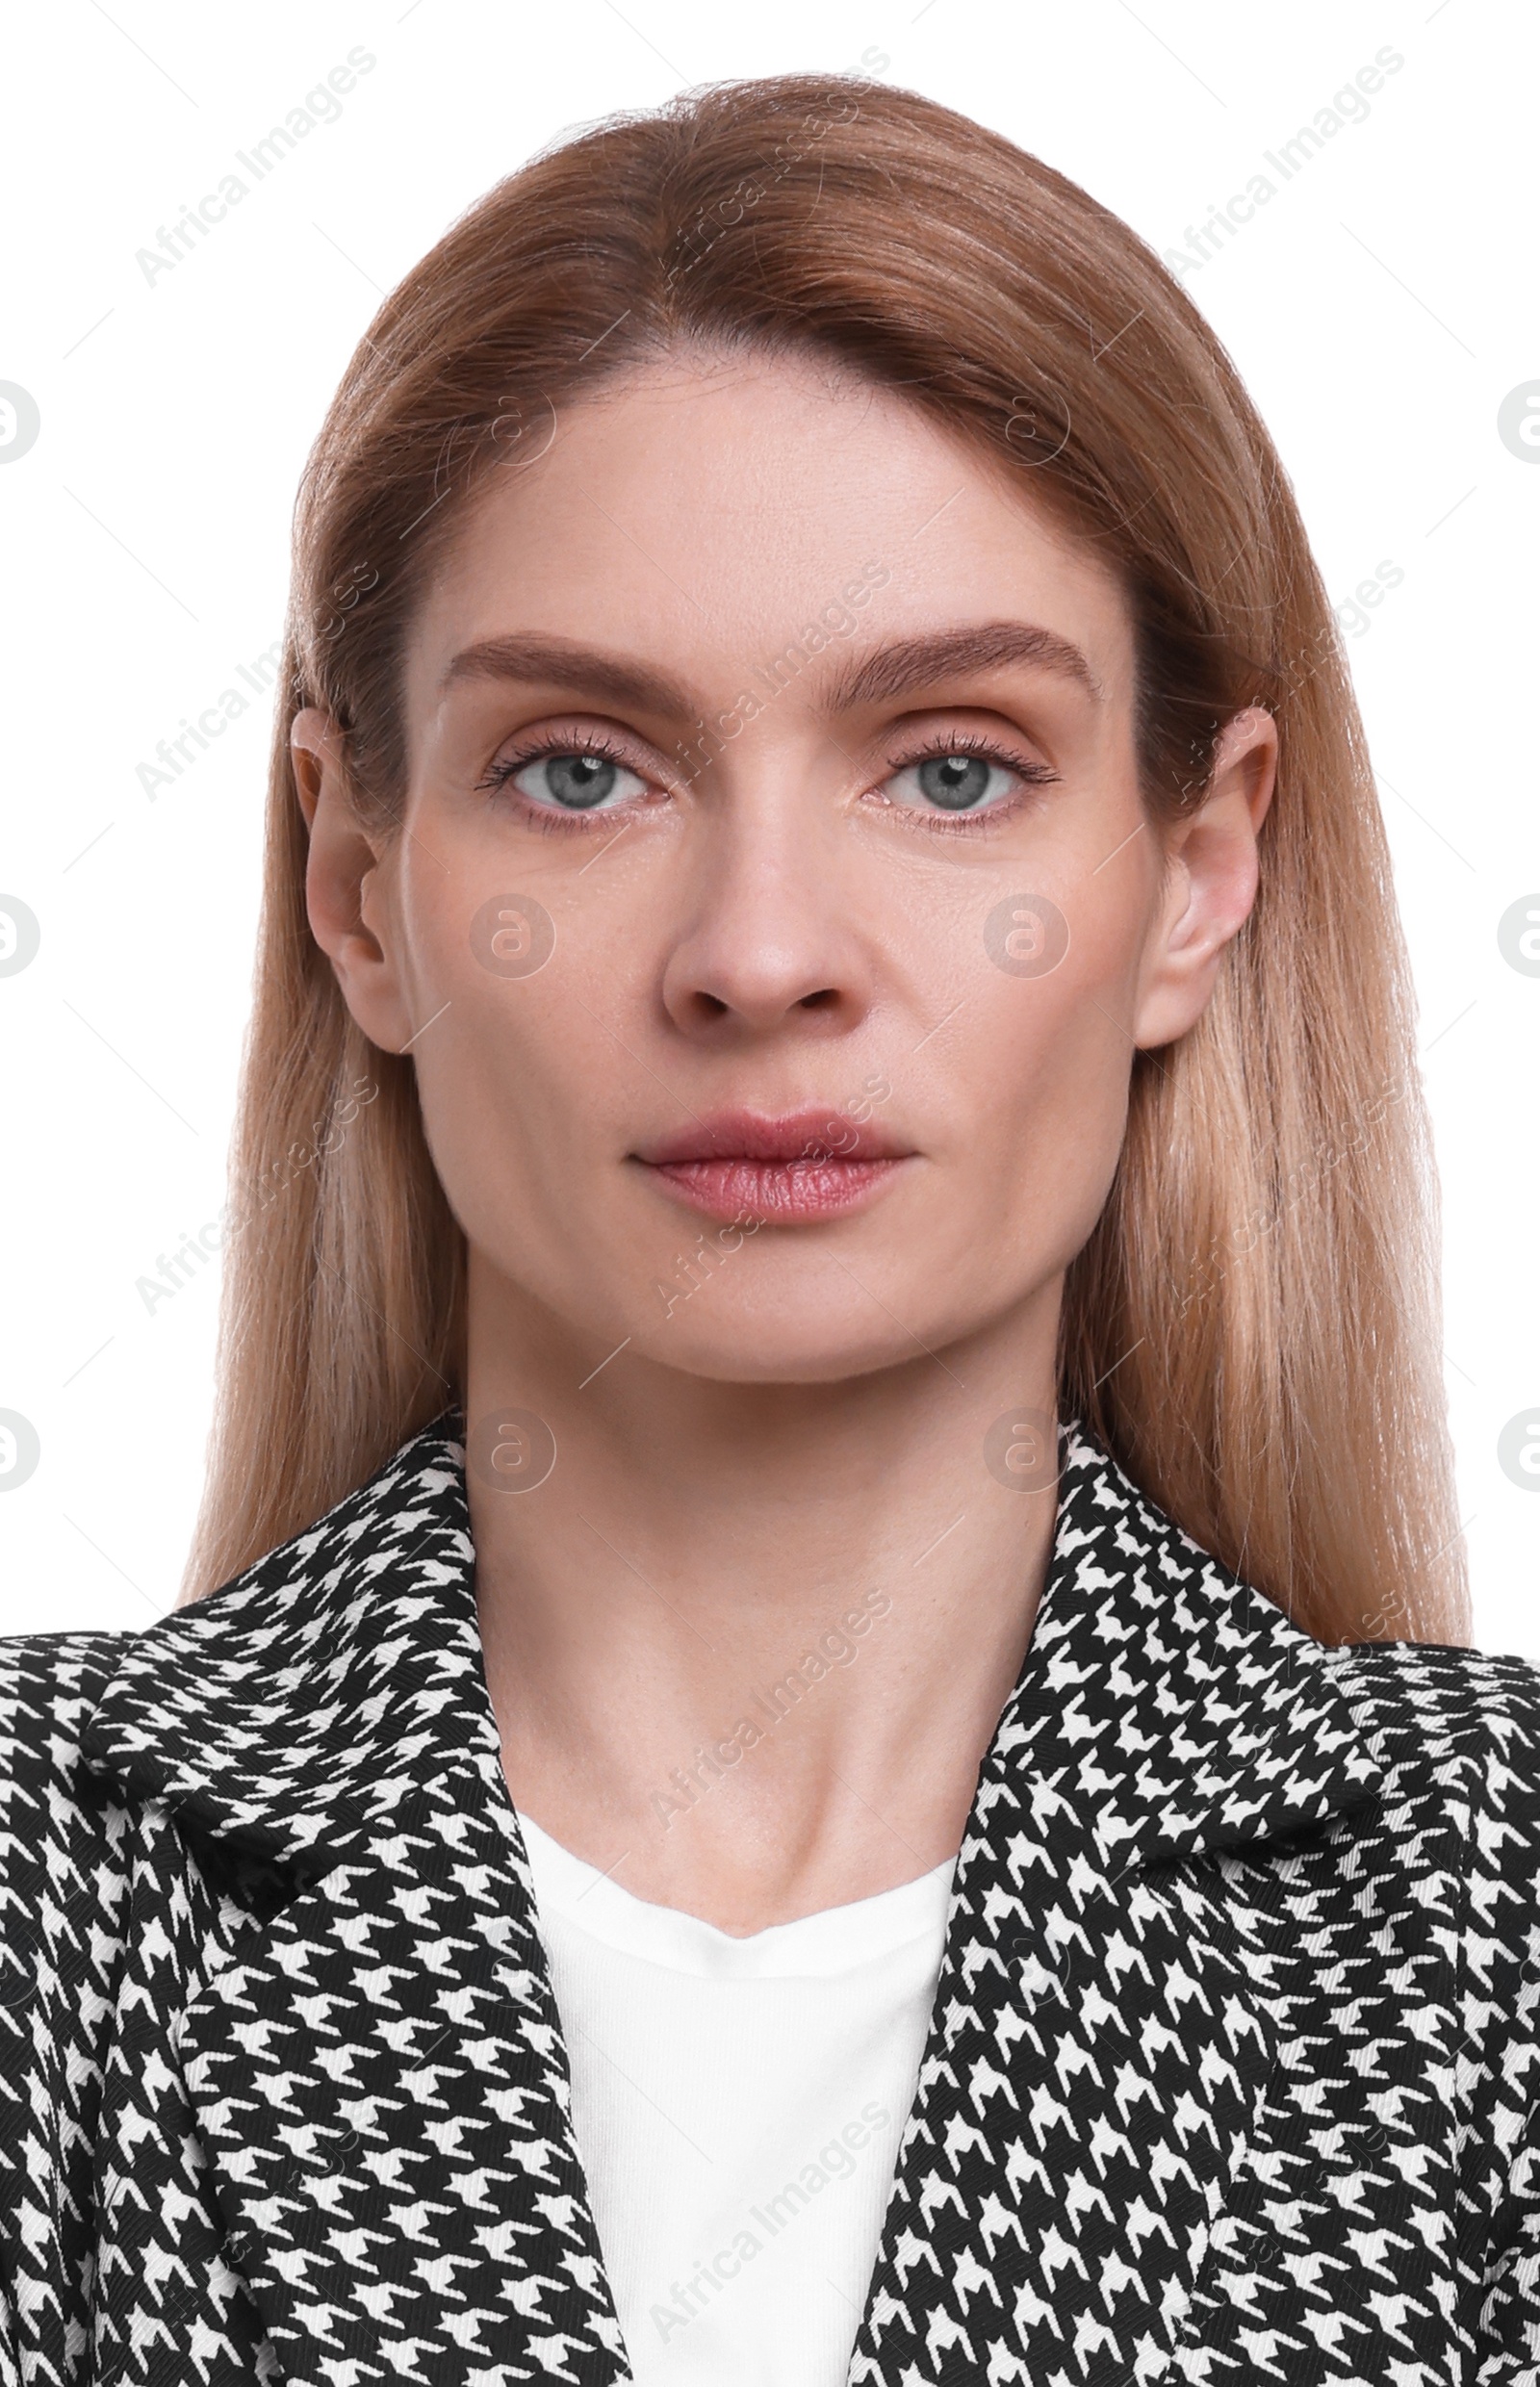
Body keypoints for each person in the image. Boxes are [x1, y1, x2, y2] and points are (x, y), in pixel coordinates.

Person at [4, 69, 1536, 2387]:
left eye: (948, 766)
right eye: (579, 771)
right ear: (358, 889)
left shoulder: (1483, 1913)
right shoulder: (41, 1896)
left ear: (1194, 874)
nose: (756, 951)